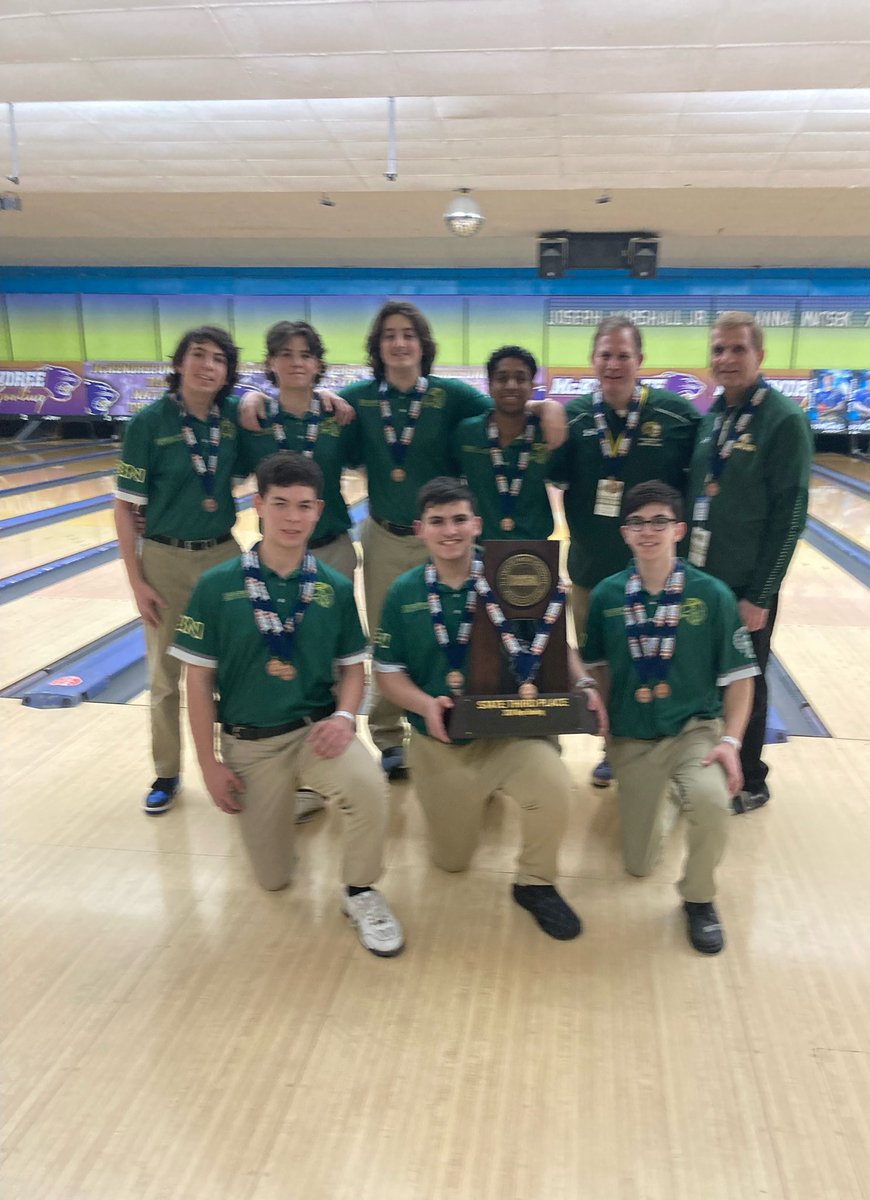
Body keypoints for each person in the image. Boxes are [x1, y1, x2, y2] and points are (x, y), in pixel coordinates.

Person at [169, 452, 404, 957]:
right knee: (274, 879)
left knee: (369, 791)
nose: (292, 518)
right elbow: (196, 681)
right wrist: (208, 764)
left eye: (303, 506)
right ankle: (297, 799)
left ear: (319, 510)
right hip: (248, 743)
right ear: (258, 505)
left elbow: (351, 669)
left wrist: (345, 717)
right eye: (280, 504)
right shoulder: (217, 585)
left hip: (313, 730)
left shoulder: (333, 588)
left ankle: (361, 890)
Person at [330, 301, 566, 781]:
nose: (399, 343)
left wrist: (547, 403)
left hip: (445, 538)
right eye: (390, 335)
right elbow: (311, 406)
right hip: (385, 535)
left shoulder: (452, 396)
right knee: (386, 636)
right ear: (378, 346)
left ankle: (488, 720)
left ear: (423, 345)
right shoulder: (359, 397)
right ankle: (390, 737)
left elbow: (509, 408)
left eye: (408, 335)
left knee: (471, 631)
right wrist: (255, 396)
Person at [374, 477, 606, 941]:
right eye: (437, 522)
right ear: (420, 530)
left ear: (477, 524)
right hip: (439, 742)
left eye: (460, 519)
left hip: (508, 734)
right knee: (453, 862)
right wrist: (424, 703)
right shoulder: (404, 592)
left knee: (557, 790)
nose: (450, 531)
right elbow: (388, 674)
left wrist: (582, 682)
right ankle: (470, 799)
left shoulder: (514, 571)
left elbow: (556, 641)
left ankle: (535, 883)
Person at [581, 481, 758, 954]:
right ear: (624, 533)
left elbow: (742, 679)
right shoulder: (607, 596)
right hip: (632, 737)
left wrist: (732, 743)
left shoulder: (712, 595)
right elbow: (596, 668)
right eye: (638, 522)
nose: (649, 531)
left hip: (692, 732)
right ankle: (673, 798)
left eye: (659, 521)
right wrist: (590, 704)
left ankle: (699, 899)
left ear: (679, 529)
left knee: (714, 805)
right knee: (638, 864)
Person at [547, 316, 701, 787]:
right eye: (605, 355)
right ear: (593, 361)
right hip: (592, 570)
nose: (614, 364)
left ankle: (664, 745)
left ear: (640, 361)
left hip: (657, 572)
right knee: (599, 664)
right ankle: (611, 746)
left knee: (655, 659)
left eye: (623, 355)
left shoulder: (678, 416)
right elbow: (547, 470)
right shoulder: (573, 418)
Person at [114, 325, 244, 815]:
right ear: (180, 362)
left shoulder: (231, 419)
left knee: (233, 669)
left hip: (223, 555)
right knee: (166, 676)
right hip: (165, 559)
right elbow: (125, 509)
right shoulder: (149, 423)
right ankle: (167, 772)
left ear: (227, 372)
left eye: (218, 359)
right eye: (199, 355)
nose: (207, 365)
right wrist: (137, 581)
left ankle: (237, 763)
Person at [686, 311, 812, 813]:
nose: (726, 359)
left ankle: (752, 779)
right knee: (704, 679)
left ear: (760, 356)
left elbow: (791, 516)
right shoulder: (711, 418)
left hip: (744, 588)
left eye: (738, 349)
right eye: (719, 349)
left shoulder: (783, 420)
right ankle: (705, 766)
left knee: (747, 680)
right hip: (700, 581)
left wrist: (760, 594)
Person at [235, 320, 359, 581]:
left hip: (332, 549)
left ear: (317, 364)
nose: (296, 363)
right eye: (286, 354)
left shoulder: (337, 418)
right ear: (271, 362)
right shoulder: (254, 420)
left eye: (305, 355)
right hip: (273, 553)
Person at [450, 345, 555, 541]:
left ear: (532, 387)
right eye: (502, 378)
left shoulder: (547, 434)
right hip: (478, 549)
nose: (511, 385)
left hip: (535, 550)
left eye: (521, 378)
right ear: (489, 386)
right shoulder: (466, 433)